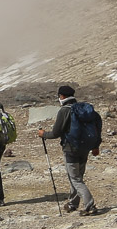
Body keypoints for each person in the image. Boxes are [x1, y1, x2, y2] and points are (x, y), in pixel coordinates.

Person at [40, 84, 102, 215]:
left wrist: (43, 134)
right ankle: (73, 203)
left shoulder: (64, 111)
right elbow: (98, 125)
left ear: (61, 96)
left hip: (70, 149)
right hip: (85, 148)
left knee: (75, 178)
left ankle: (89, 205)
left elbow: (56, 133)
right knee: (78, 176)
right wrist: (96, 146)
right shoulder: (85, 110)